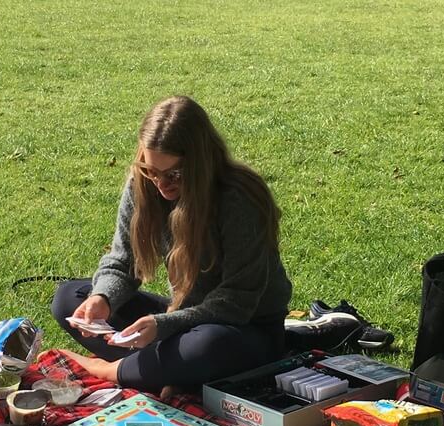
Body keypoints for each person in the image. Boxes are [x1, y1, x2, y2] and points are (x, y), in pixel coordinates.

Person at [51, 96, 292, 395]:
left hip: (246, 329)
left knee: (206, 346)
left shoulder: (237, 198)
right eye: (150, 170)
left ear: (201, 163)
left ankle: (113, 370)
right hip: (180, 317)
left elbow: (238, 301)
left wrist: (165, 324)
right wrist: (103, 299)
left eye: (174, 175)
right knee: (69, 299)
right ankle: (165, 370)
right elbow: (122, 262)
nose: (160, 184)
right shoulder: (143, 184)